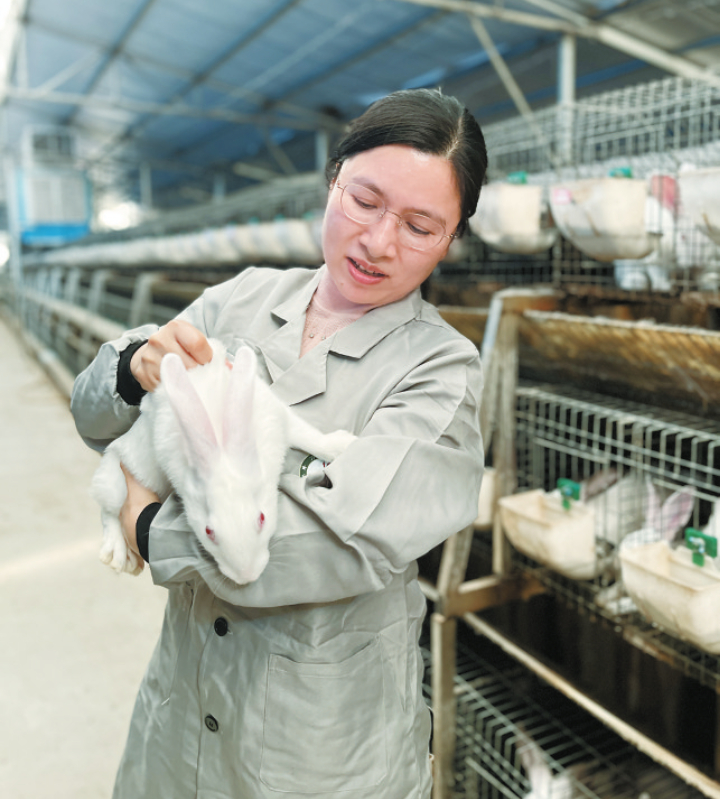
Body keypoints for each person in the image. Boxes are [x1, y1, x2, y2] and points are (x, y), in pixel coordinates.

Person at [71, 87, 488, 799]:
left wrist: (146, 526)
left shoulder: (441, 369)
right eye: (365, 200)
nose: (379, 242)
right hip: (181, 717)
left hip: (316, 752)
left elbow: (335, 543)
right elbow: (93, 419)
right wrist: (135, 368)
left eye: (420, 226)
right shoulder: (240, 297)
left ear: (451, 240)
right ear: (332, 181)